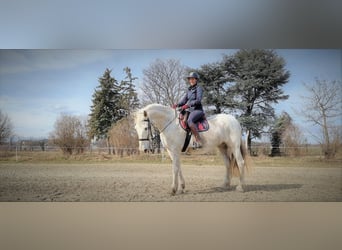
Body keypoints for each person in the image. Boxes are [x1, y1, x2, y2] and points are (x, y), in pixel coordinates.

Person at [174, 72, 205, 147]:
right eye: (190, 79)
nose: (191, 80)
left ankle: (198, 140)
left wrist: (188, 105)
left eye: (193, 79)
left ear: (196, 80)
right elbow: (184, 100)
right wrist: (177, 105)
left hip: (198, 110)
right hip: (190, 110)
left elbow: (198, 100)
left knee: (189, 121)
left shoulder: (199, 88)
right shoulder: (189, 90)